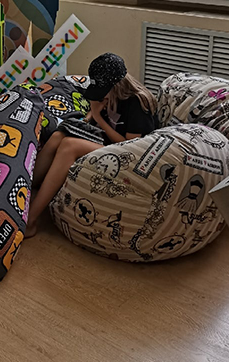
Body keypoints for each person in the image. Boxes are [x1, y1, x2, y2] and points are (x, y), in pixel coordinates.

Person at [26, 53, 159, 237]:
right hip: (107, 141)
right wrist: (88, 118)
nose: (99, 97)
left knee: (70, 145)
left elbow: (130, 146)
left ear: (116, 86)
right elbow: (95, 115)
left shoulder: (137, 103)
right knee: (58, 136)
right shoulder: (108, 96)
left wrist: (97, 116)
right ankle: (26, 190)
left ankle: (31, 219)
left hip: (131, 155)